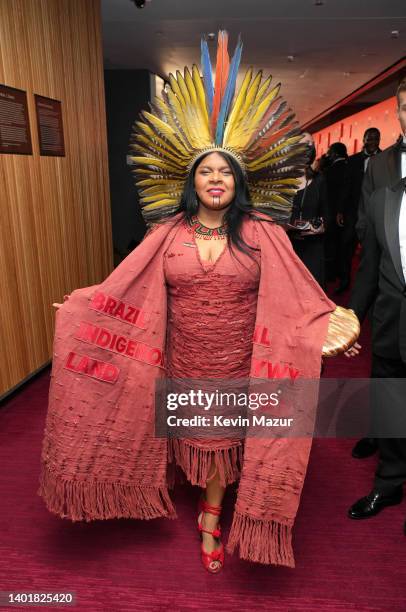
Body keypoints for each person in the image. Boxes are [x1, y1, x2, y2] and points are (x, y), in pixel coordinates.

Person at [42, 31, 359, 574]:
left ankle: (211, 516)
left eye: (226, 173)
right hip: (180, 356)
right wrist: (81, 307)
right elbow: (125, 281)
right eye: (207, 171)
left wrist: (330, 325)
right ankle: (200, 496)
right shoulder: (166, 231)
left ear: (239, 182)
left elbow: (298, 291)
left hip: (241, 361)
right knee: (188, 437)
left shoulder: (264, 231)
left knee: (223, 441)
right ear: (192, 181)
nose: (217, 180)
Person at [345, 79, 406, 529]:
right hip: (391, 314)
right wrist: (352, 317)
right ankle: (389, 481)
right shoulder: (379, 169)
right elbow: (372, 256)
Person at [289, 133, 328, 288]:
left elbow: (327, 215)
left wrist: (318, 227)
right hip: (287, 246)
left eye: (311, 144)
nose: (307, 148)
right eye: (303, 143)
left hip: (312, 248)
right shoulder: (282, 181)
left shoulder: (320, 180)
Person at [323, 142, 351, 291]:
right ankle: (339, 274)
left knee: (331, 245)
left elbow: (327, 195)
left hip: (331, 214)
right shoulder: (348, 167)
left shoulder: (331, 170)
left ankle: (331, 275)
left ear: (334, 153)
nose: (328, 154)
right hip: (345, 214)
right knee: (341, 245)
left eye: (329, 151)